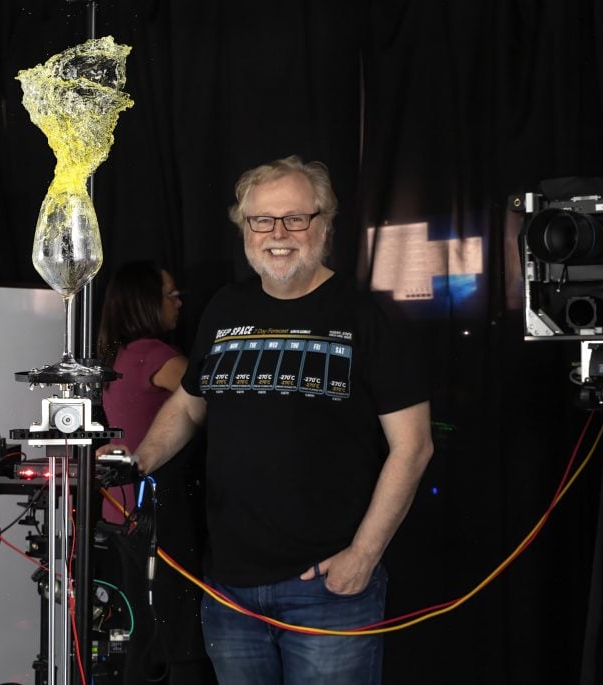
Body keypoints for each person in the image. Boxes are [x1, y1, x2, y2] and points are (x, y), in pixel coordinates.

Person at [99, 156, 433, 684]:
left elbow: (413, 446)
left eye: (295, 218)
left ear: (323, 225)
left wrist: (363, 556)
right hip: (230, 591)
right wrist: (137, 461)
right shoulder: (225, 308)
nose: (278, 234)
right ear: (244, 228)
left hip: (328, 590)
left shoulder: (364, 317)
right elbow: (189, 404)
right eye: (262, 221)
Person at [95, 261, 217, 685]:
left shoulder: (117, 354)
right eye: (170, 294)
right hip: (155, 512)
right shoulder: (158, 356)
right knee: (178, 630)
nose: (179, 301)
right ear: (146, 302)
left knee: (141, 630)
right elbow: (213, 399)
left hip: (120, 512)